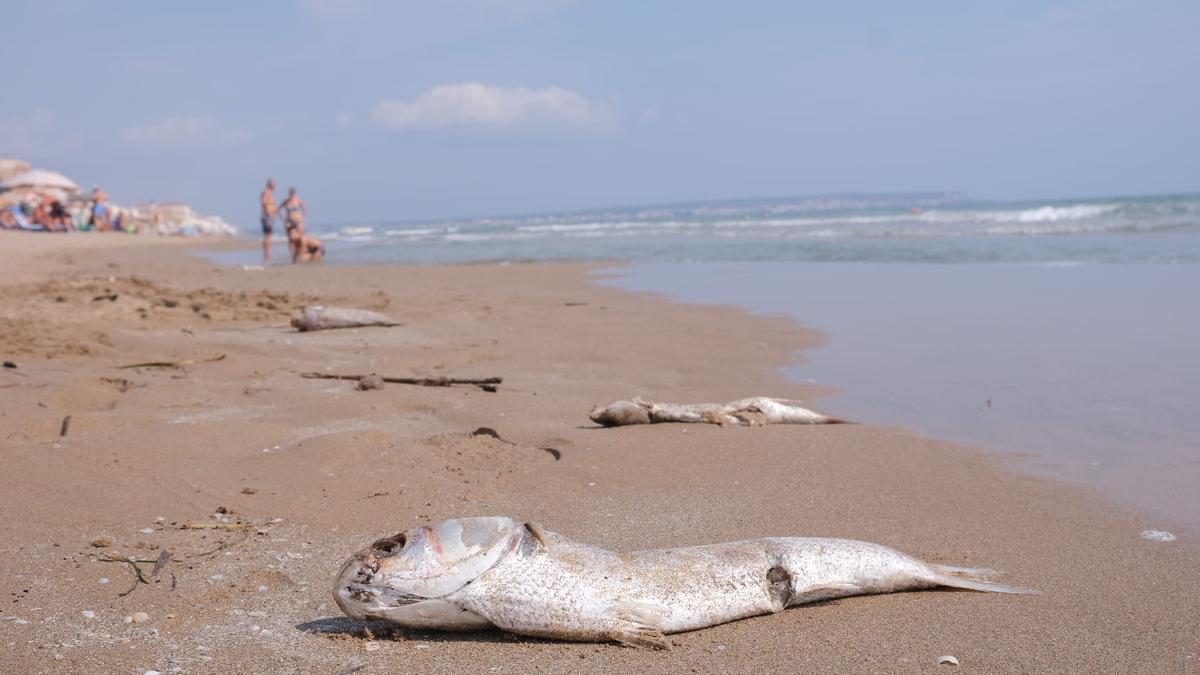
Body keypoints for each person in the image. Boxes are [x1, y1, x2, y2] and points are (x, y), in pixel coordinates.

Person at [279, 187, 307, 263]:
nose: (291, 194)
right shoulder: (286, 201)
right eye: (290, 193)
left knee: (301, 238)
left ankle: (301, 255)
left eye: (293, 193)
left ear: (295, 193)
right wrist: (283, 219)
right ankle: (293, 256)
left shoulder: (298, 201)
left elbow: (305, 210)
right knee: (291, 239)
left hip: (298, 221)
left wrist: (302, 219)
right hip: (289, 222)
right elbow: (279, 209)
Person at [259, 179, 277, 262]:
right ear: (270, 185)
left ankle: (267, 253)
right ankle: (267, 254)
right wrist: (268, 213)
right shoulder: (267, 192)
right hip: (267, 217)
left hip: (269, 216)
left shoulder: (270, 193)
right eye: (274, 184)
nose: (276, 185)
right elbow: (264, 202)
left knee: (268, 236)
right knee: (267, 236)